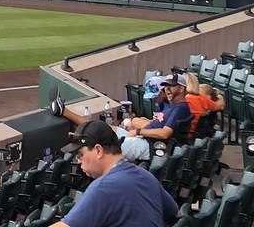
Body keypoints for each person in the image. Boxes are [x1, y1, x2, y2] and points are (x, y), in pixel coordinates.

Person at [46, 119, 178, 227]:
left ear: (98, 150)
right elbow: (173, 212)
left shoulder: (102, 187)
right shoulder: (145, 175)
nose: (79, 161)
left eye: (80, 155)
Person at [183, 73, 223, 137]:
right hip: (196, 134)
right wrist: (219, 96)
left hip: (187, 135)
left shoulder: (186, 100)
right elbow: (221, 105)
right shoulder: (202, 98)